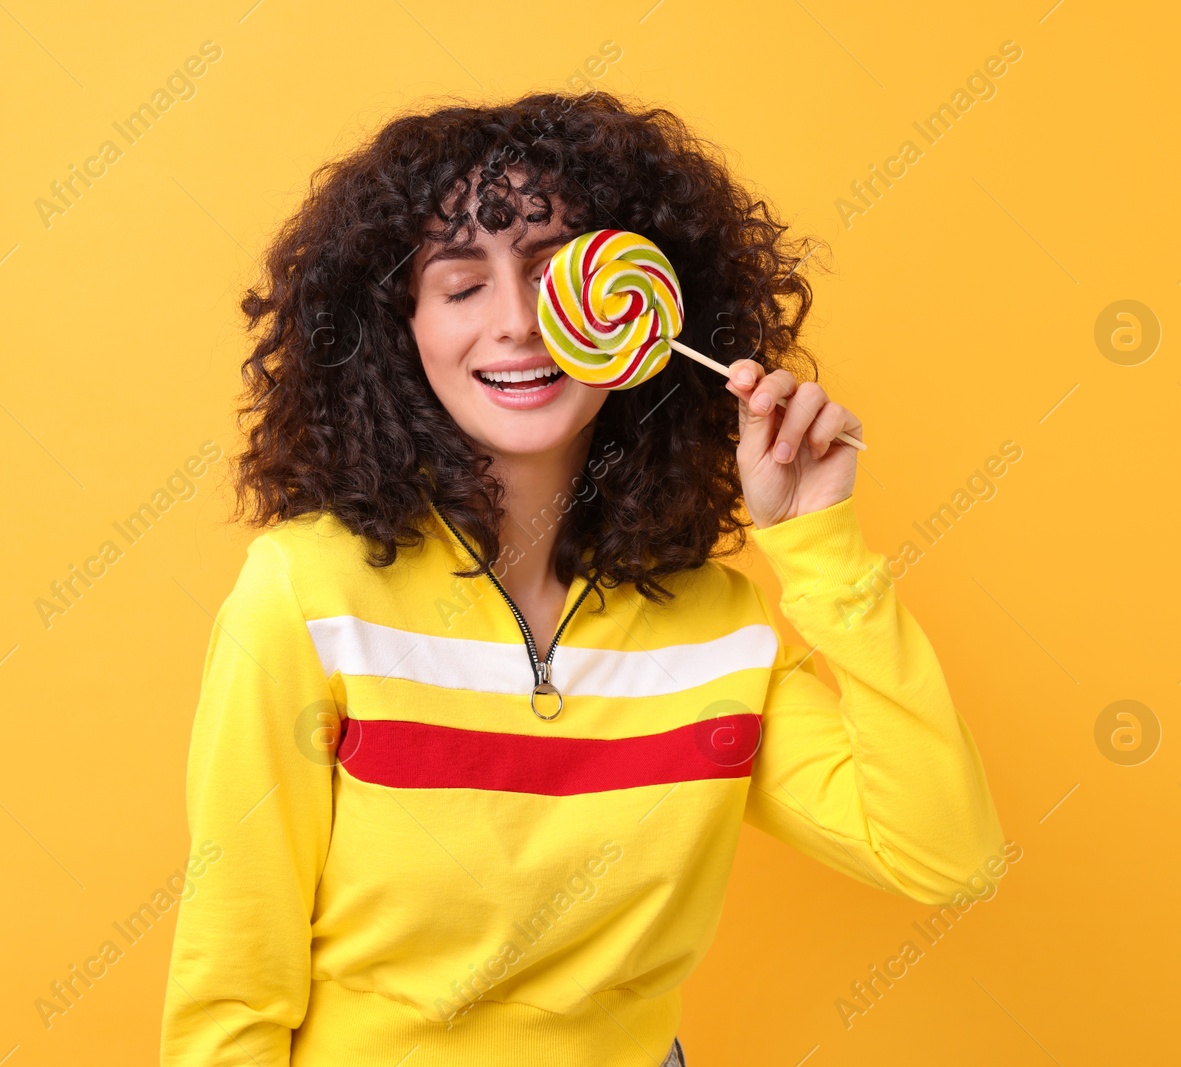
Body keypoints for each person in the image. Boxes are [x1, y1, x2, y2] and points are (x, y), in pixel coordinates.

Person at [159, 90, 1003, 1067]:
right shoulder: (306, 596)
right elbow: (231, 975)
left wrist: (818, 543)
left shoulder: (713, 625)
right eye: (461, 284)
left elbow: (945, 852)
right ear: (400, 331)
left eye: (558, 271)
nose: (517, 322)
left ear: (643, 310)